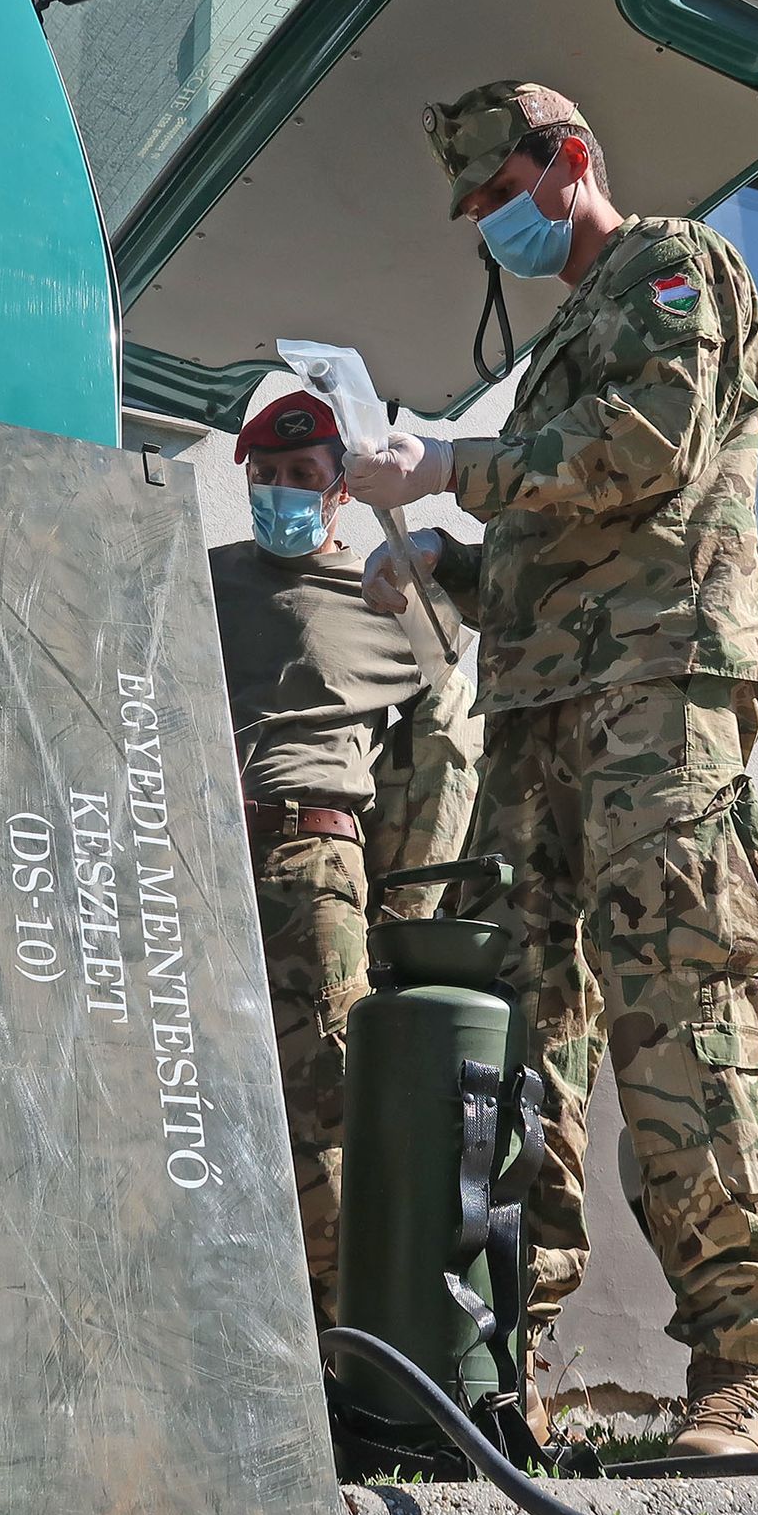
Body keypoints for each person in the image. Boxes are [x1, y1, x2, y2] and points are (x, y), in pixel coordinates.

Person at [346, 81, 758, 1455]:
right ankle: (500, 1372)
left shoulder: (672, 268)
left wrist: (444, 471)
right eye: (472, 208)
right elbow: (561, 550)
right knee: (525, 1041)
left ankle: (743, 1367)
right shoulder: (553, 354)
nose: (486, 225)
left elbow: (642, 452)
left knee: (680, 1015)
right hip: (541, 720)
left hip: (659, 703)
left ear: (568, 164)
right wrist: (454, 569)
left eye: (497, 195)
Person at [210, 389, 481, 1332]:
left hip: (312, 864)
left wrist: (409, 913)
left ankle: (340, 1346)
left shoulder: (393, 605)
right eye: (268, 476)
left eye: (302, 478)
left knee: (325, 1115)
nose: (281, 491)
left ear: (337, 493)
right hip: (192, 859)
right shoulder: (195, 579)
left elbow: (448, 744)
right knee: (196, 1099)